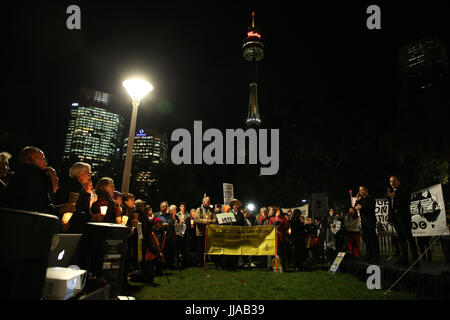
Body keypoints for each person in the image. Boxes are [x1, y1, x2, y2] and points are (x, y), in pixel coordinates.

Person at [387, 175, 419, 266]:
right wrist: (390, 218)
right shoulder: (391, 192)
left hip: (404, 218)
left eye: (393, 181)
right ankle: (404, 258)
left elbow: (407, 201)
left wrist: (396, 196)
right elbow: (391, 207)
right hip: (395, 219)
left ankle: (415, 258)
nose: (392, 183)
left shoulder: (404, 189)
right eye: (390, 181)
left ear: (398, 181)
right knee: (401, 239)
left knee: (409, 237)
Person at [55, 162, 93, 233]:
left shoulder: (74, 186)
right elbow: (80, 209)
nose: (90, 176)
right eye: (88, 173)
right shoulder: (74, 187)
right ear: (79, 173)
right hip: (70, 226)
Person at [355, 186, 379, 262]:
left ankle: (375, 256)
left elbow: (370, 207)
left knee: (372, 237)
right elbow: (355, 207)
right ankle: (369, 255)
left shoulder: (370, 198)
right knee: (366, 238)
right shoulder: (360, 199)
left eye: (362, 189)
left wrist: (361, 206)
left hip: (370, 220)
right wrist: (357, 201)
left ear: (366, 190)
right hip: (364, 221)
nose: (361, 191)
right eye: (359, 190)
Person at [194, 196, 216, 267]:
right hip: (200, 232)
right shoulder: (199, 209)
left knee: (208, 247)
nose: (209, 202)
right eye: (207, 201)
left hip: (209, 232)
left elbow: (215, 219)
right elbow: (197, 219)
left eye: (209, 201)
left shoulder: (212, 210)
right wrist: (205, 221)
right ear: (203, 202)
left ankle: (206, 260)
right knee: (200, 248)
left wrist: (211, 221)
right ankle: (200, 262)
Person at [175, 202, 189, 267]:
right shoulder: (178, 214)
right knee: (179, 245)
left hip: (186, 232)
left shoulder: (187, 214)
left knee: (185, 246)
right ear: (180, 207)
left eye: (184, 206)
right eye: (182, 206)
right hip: (179, 232)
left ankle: (185, 260)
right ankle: (179, 259)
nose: (183, 207)